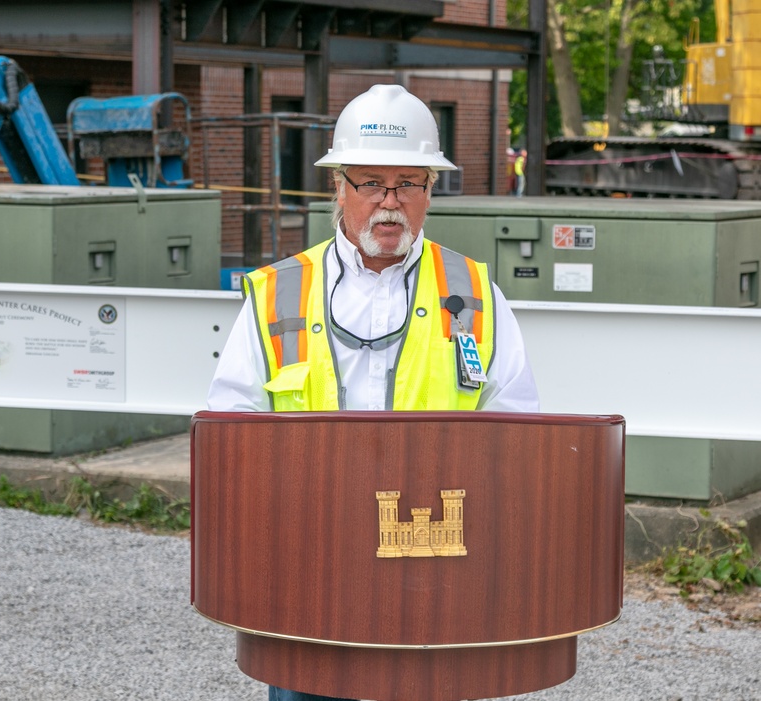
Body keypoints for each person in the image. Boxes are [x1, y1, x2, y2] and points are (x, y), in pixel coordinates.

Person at [207, 84, 539, 701]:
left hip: (435, 573)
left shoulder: (475, 294)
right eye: (370, 184)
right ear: (337, 186)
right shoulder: (278, 294)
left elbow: (518, 436)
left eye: (408, 183)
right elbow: (230, 432)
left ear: (430, 190)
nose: (390, 204)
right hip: (308, 573)